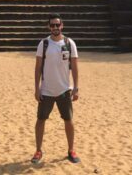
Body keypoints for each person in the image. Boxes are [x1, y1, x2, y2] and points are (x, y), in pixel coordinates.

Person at [32, 13, 80, 165]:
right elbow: (38, 67)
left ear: (62, 26)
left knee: (68, 120)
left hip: (64, 89)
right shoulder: (44, 44)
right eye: (52, 25)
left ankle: (71, 150)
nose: (55, 28)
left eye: (57, 25)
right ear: (49, 27)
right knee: (40, 120)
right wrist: (36, 88)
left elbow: (75, 67)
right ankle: (38, 150)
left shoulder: (69, 43)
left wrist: (76, 87)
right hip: (46, 90)